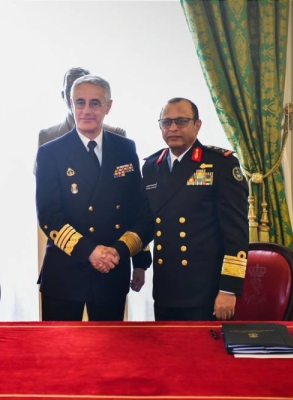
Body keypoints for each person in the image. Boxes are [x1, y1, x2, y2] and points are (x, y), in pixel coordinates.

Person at [35, 75, 153, 321]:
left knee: (110, 353)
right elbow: (49, 215)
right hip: (65, 272)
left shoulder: (126, 148)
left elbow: (138, 210)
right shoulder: (50, 153)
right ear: (71, 104)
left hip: (112, 268)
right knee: (60, 353)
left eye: (95, 103)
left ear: (108, 106)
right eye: (80, 103)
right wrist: (90, 252)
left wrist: (138, 260)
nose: (86, 110)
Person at [141, 97, 249, 321]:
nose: (173, 128)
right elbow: (146, 223)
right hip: (165, 286)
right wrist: (139, 265)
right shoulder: (152, 166)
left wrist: (229, 289)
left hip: (205, 290)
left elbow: (236, 234)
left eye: (181, 121)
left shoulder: (220, 164)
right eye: (166, 122)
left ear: (197, 125)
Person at [38, 67, 126, 147]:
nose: (75, 93)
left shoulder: (117, 135)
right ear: (63, 95)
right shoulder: (46, 137)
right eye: (70, 88)